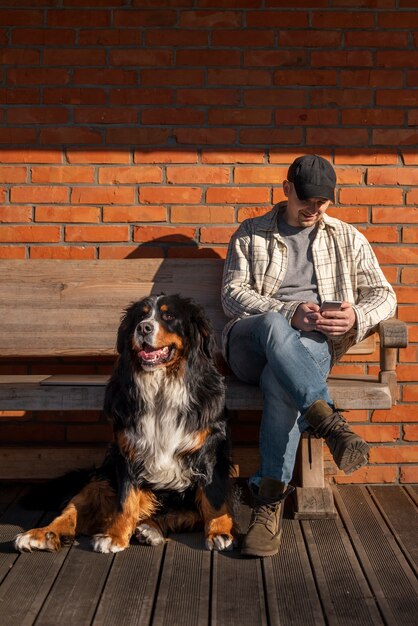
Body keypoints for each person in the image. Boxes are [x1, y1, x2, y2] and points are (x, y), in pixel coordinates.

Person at [221, 154, 397, 558]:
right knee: (272, 325)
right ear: (286, 190)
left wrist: (356, 315)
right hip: (250, 344)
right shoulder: (251, 234)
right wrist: (287, 312)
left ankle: (267, 505)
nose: (313, 210)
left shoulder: (347, 237)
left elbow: (385, 295)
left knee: (281, 385)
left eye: (321, 203)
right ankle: (327, 420)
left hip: (308, 352)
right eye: (306, 201)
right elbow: (231, 294)